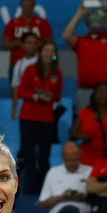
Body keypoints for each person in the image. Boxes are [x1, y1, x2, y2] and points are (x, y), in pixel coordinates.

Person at [17, 41, 63, 195]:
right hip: (29, 116)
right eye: (46, 49)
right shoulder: (30, 70)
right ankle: (28, 192)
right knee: (29, 156)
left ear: (55, 54)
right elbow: (21, 92)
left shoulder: (58, 73)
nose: (49, 53)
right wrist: (35, 96)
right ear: (41, 52)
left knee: (44, 157)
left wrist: (50, 96)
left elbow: (58, 95)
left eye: (52, 50)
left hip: (46, 118)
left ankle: (43, 191)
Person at [63, 2, 107, 112]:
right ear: (86, 23)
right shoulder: (81, 41)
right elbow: (66, 36)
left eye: (98, 18)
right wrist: (78, 14)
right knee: (85, 124)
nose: (95, 21)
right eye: (92, 18)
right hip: (86, 91)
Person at [72, 83, 107, 167]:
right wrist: (81, 136)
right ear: (94, 95)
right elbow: (72, 133)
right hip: (87, 162)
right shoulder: (84, 113)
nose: (103, 94)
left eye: (106, 91)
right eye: (100, 91)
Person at [39, 141, 91, 213]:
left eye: (74, 160)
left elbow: (98, 201)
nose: (72, 164)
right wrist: (62, 197)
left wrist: (86, 198)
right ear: (62, 157)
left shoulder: (89, 171)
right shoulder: (53, 172)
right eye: (68, 161)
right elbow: (43, 204)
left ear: (80, 154)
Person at [1, 0, 53, 66]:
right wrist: (17, 43)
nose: (27, 10)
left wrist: (35, 45)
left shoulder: (43, 23)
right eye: (24, 7)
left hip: (38, 64)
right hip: (16, 64)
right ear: (20, 5)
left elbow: (50, 46)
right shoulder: (12, 23)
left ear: (34, 5)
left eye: (29, 6)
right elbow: (3, 45)